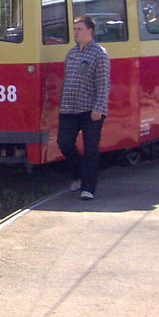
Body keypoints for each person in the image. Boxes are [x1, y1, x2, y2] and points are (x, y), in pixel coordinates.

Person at [58, 15, 111, 200]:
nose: (75, 33)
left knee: (90, 149)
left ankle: (88, 188)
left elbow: (103, 83)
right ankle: (78, 175)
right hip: (69, 108)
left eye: (79, 29)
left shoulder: (99, 54)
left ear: (90, 31)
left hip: (91, 110)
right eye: (74, 29)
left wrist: (99, 108)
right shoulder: (71, 54)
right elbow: (67, 81)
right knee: (64, 143)